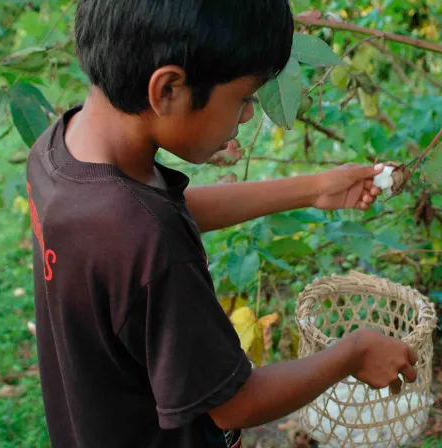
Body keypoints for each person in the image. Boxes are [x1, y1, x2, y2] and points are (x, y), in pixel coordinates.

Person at [24, 1, 418, 447]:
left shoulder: (58, 152)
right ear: (168, 90)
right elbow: (236, 403)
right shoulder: (150, 241)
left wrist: (313, 189)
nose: (247, 115)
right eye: (244, 98)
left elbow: (161, 210)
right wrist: (354, 352)